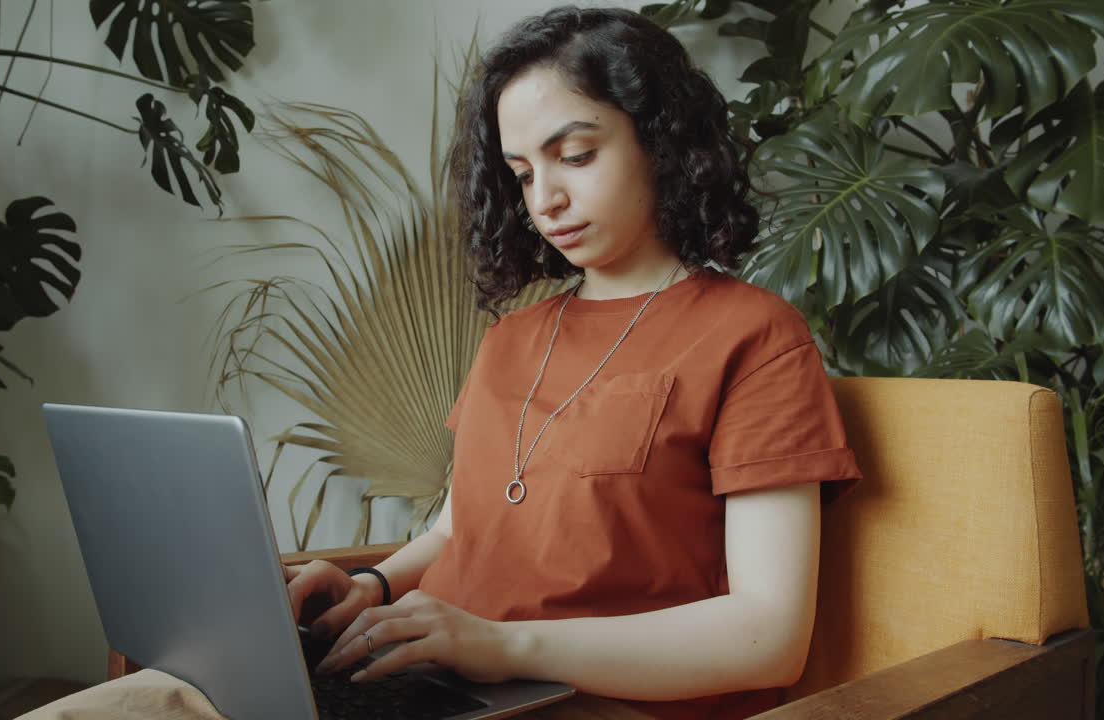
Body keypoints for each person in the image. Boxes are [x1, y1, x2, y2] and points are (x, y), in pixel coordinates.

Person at [284, 6, 861, 719]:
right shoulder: (511, 337)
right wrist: (369, 586)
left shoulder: (755, 337)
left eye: (577, 156)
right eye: (523, 173)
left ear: (660, 142)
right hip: (440, 681)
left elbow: (767, 637)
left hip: (597, 701)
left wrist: (502, 646)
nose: (546, 201)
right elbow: (455, 531)